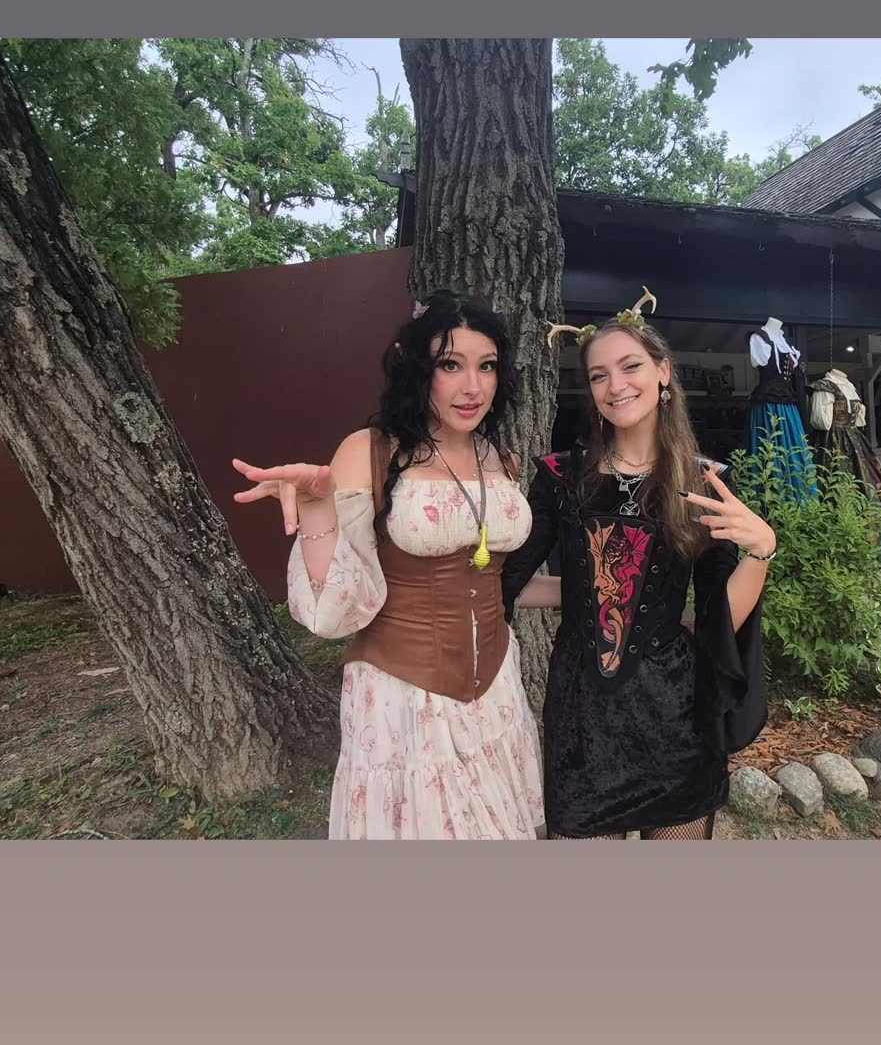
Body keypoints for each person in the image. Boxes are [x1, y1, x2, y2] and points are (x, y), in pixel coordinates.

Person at [233, 290, 549, 840]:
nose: (473, 387)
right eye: (450, 365)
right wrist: (316, 508)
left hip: (495, 689)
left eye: (487, 366)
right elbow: (332, 614)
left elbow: (495, 580)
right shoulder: (369, 451)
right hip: (405, 700)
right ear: (417, 367)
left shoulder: (501, 459)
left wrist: (604, 595)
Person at [501, 289, 772, 840]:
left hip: (677, 717)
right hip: (582, 721)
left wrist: (761, 550)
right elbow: (505, 581)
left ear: (663, 372)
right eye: (599, 375)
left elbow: (720, 616)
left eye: (630, 366)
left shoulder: (704, 482)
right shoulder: (560, 476)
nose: (616, 385)